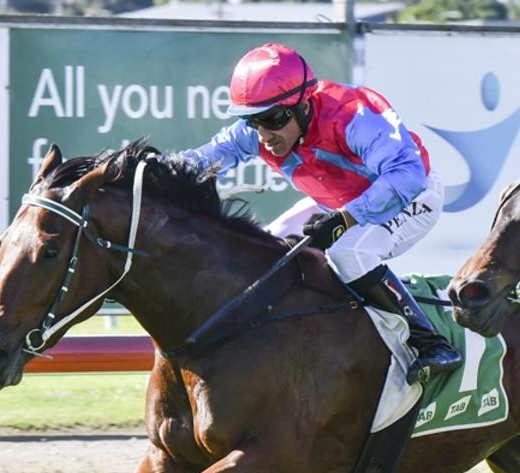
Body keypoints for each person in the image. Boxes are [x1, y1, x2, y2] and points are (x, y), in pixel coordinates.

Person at [182, 43, 462, 385]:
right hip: (339, 203)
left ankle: (430, 343)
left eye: (272, 120)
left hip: (410, 196)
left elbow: (407, 174)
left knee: (350, 252)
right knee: (265, 253)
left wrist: (346, 218)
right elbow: (202, 160)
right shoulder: (260, 131)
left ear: (303, 104)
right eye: (252, 121)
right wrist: (145, 167)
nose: (264, 135)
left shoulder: (353, 115)